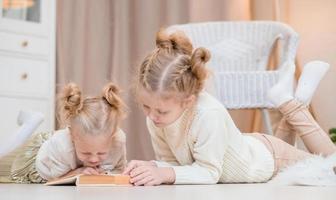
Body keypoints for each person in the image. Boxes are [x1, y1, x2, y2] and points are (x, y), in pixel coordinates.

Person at [122, 29, 336, 186]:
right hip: (251, 150)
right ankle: (293, 98)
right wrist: (152, 167)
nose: (152, 116)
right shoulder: (155, 117)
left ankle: (290, 103)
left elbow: (209, 173)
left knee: (331, 167)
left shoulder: (208, 114)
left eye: (161, 111)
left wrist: (164, 173)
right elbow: (172, 164)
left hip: (269, 159)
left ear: (188, 100)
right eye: (146, 107)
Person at [11, 82, 127, 182]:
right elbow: (55, 181)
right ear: (72, 137)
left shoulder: (118, 141)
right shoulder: (62, 146)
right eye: (86, 153)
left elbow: (119, 170)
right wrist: (78, 172)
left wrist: (106, 174)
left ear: (113, 136)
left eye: (101, 153)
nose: (94, 159)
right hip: (38, 160)